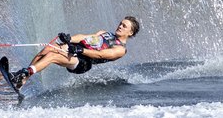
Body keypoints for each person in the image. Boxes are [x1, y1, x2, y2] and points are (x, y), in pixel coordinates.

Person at [9, 16, 140, 89]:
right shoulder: (104, 33)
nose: (120, 26)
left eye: (124, 26)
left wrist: (81, 50)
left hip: (83, 62)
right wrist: (69, 39)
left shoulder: (121, 49)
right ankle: (23, 79)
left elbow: (100, 55)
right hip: (77, 50)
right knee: (49, 48)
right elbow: (84, 37)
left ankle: (25, 73)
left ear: (130, 32)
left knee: (52, 56)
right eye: (120, 23)